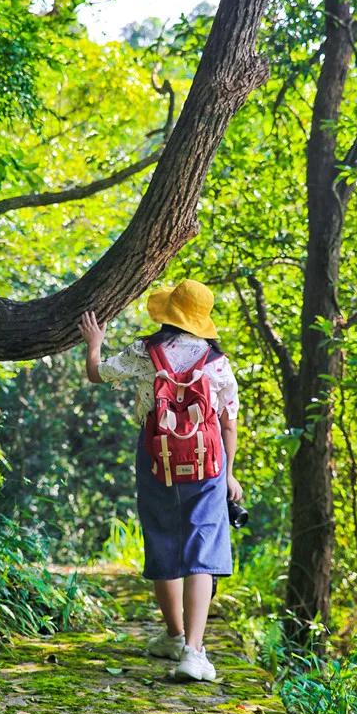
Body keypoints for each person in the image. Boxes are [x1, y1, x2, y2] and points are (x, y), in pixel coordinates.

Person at [78, 278, 242, 682]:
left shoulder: (145, 352)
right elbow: (229, 423)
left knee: (164, 537)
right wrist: (229, 474)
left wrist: (94, 342)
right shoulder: (216, 362)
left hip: (157, 459)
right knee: (202, 547)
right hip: (207, 465)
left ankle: (173, 635)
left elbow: (98, 373)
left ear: (169, 314)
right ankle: (194, 651)